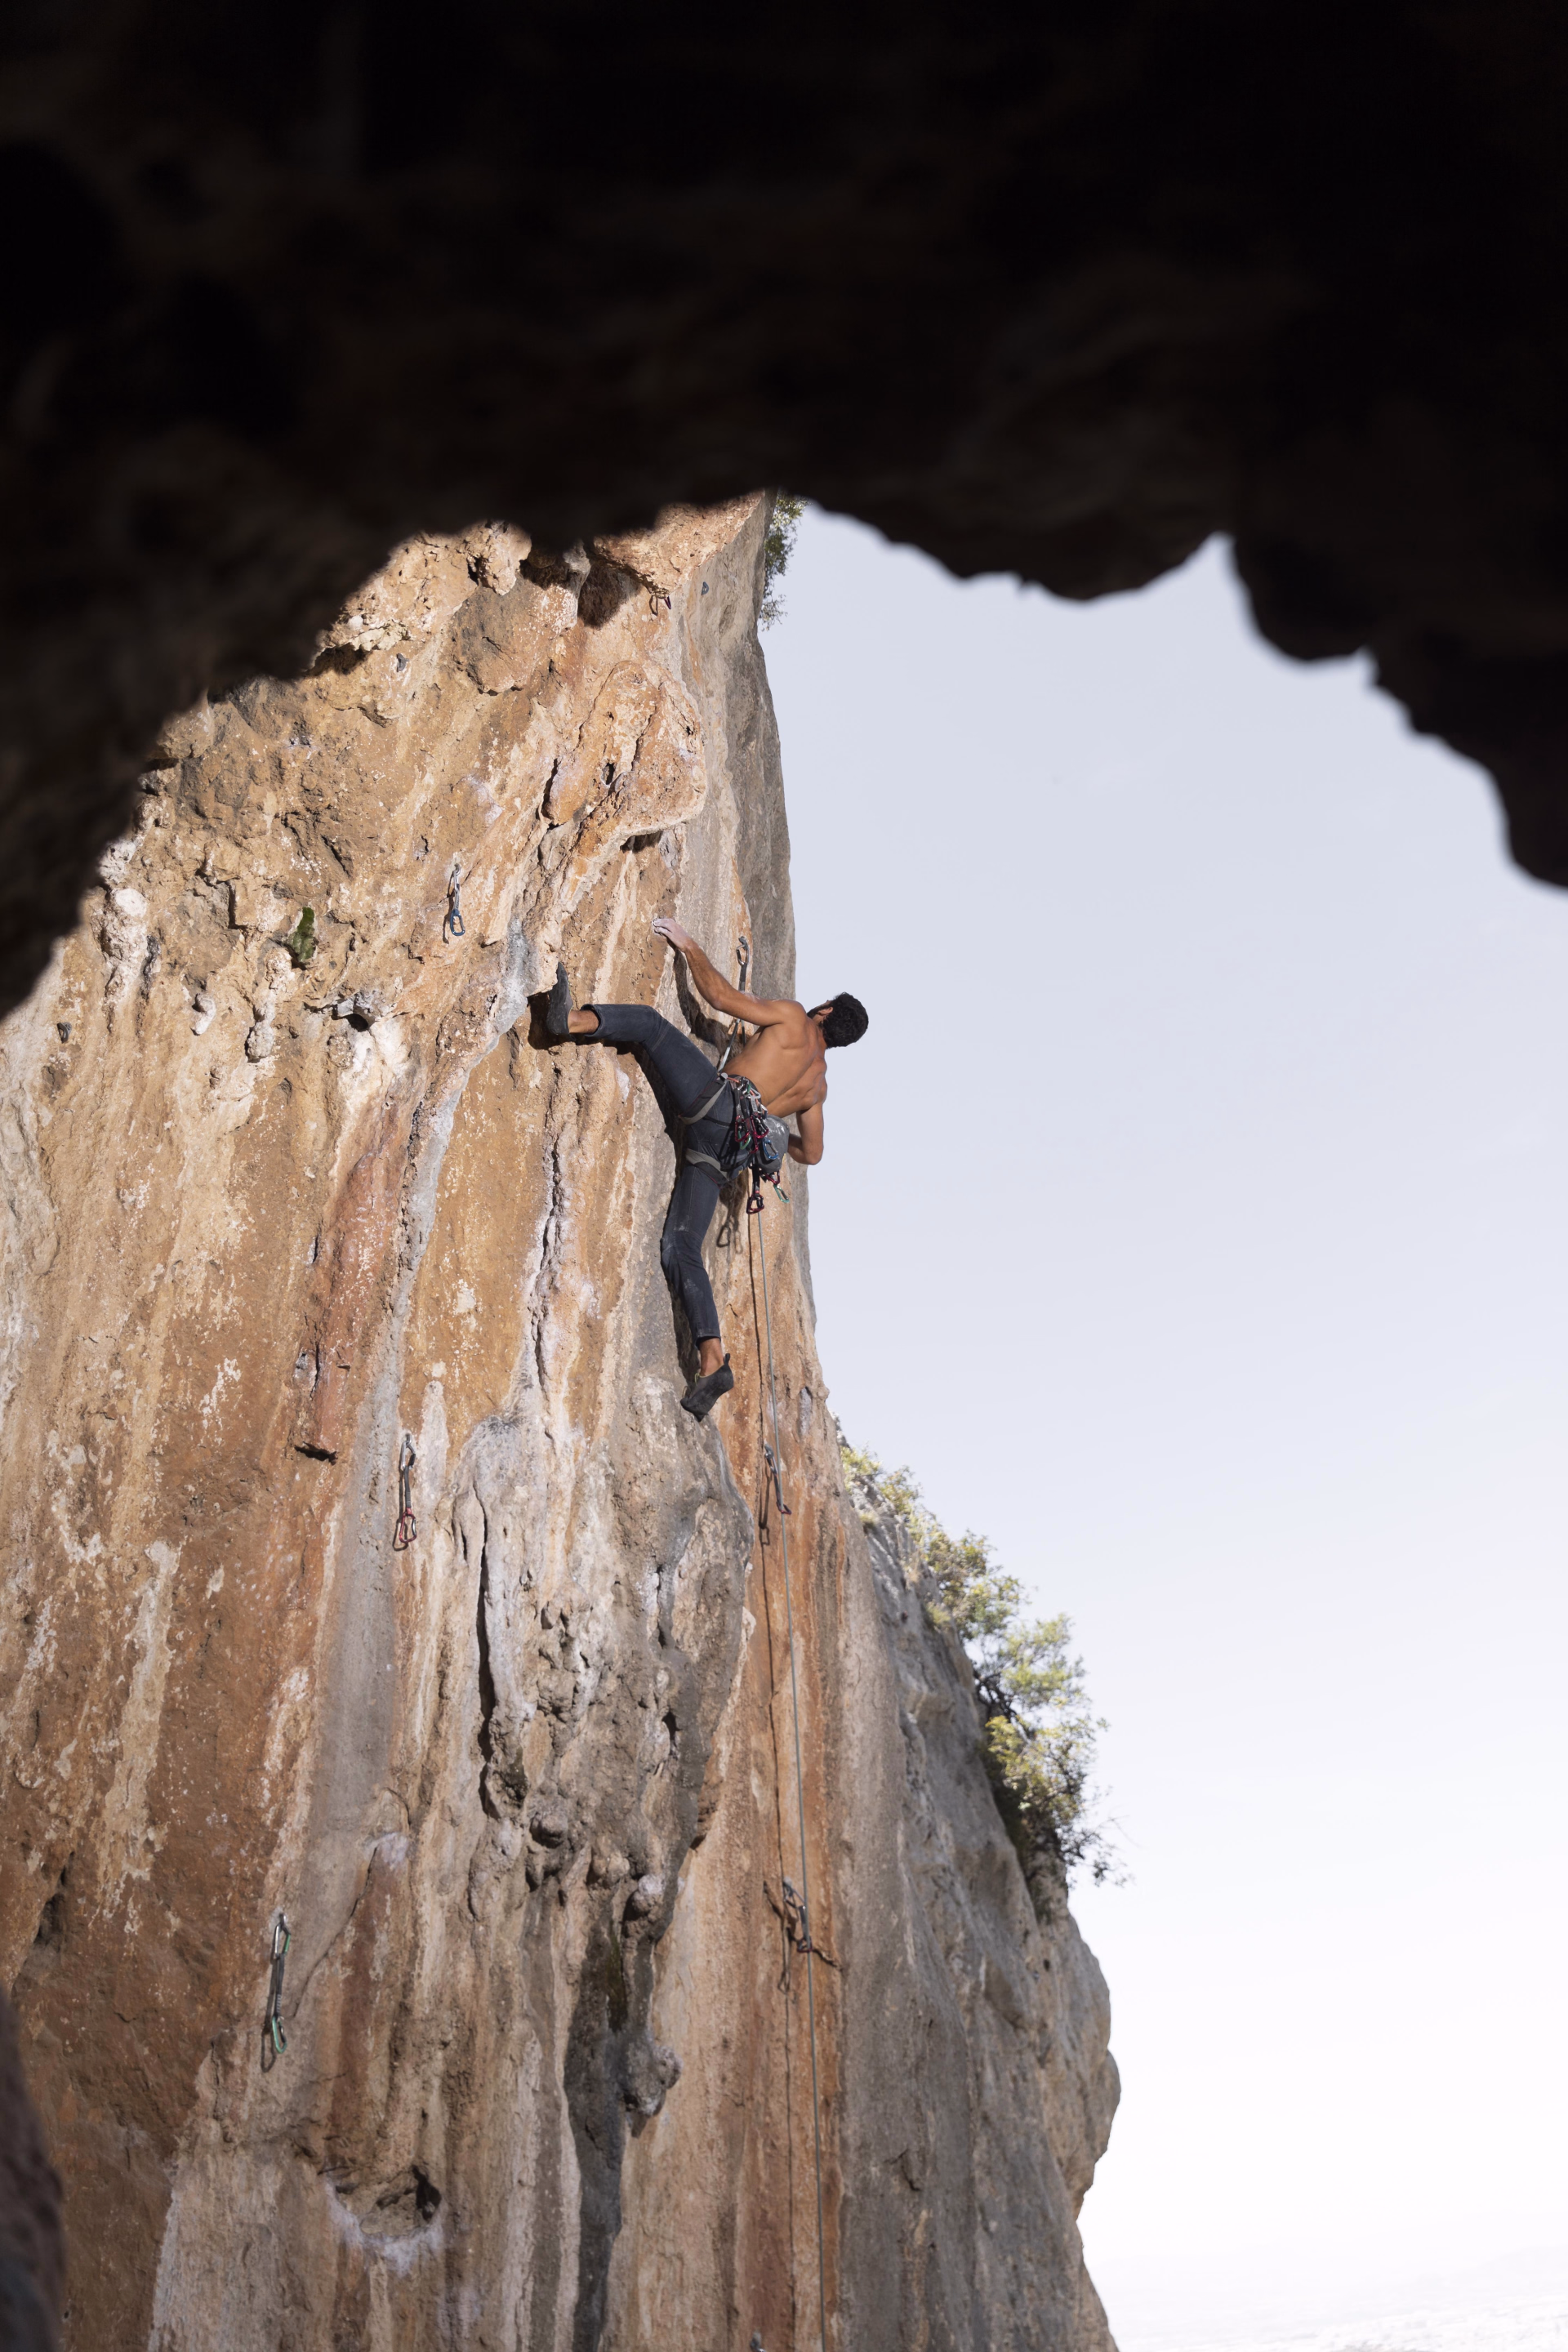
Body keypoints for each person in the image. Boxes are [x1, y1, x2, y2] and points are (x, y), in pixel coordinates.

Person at [546, 917, 868, 1419]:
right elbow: (812, 1154)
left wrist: (688, 944)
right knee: (681, 1248)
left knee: (650, 1026)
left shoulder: (793, 1021)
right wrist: (776, 1134)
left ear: (825, 1010)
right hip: (726, 1154)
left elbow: (718, 997)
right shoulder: (818, 1088)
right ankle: (711, 1359)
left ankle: (568, 1022)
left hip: (714, 1106)